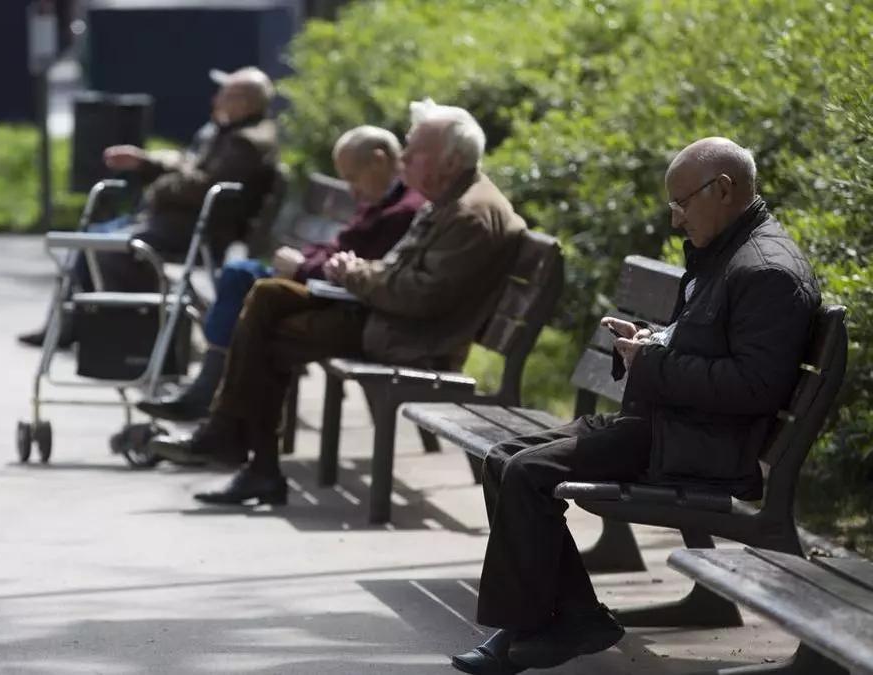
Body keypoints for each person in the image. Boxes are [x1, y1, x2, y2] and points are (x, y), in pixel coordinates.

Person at [449, 137, 821, 675]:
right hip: (666, 423)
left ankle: (538, 627)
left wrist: (650, 362)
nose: (675, 219)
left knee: (529, 473)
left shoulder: (765, 270)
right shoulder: (727, 252)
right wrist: (653, 339)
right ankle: (572, 616)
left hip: (699, 444)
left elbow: (755, 387)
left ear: (723, 189)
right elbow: (707, 340)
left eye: (681, 203)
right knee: (505, 457)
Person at [152, 99, 528, 506]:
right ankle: (237, 446)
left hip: (412, 337)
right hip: (391, 320)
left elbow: (420, 297)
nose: (403, 159)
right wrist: (360, 270)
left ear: (450, 161)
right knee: (268, 296)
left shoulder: (468, 213)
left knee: (269, 326)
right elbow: (404, 276)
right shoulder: (451, 198)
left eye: (414, 151)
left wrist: (355, 273)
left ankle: (240, 449)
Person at [137, 125, 425, 422]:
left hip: (342, 304)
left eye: (353, 178)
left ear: (378, 160)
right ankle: (214, 398)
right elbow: (337, 248)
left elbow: (358, 267)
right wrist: (303, 260)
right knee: (243, 278)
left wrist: (301, 266)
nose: (352, 191)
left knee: (248, 286)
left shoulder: (400, 211)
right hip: (324, 288)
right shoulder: (382, 201)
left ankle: (213, 399)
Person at [19, 66, 280, 347]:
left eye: (224, 94)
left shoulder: (245, 142)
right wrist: (147, 162)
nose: (215, 99)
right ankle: (73, 326)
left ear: (242, 102)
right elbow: (190, 166)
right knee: (91, 239)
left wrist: (159, 186)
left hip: (196, 229)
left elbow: (201, 186)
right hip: (180, 221)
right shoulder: (230, 132)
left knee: (105, 247)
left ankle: (137, 335)